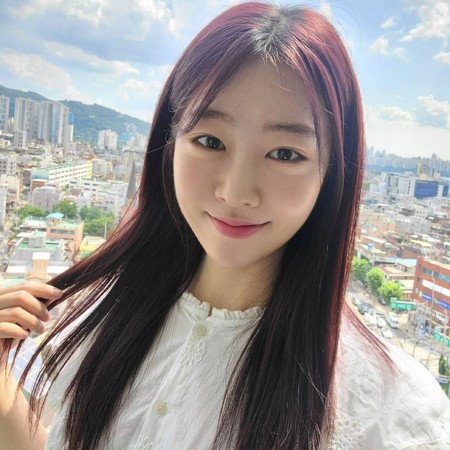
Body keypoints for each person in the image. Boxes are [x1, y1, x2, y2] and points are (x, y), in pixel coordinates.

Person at [1, 2, 449, 449]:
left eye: (285, 153)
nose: (236, 193)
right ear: (169, 144)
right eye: (210, 141)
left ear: (332, 173)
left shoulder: (388, 409)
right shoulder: (96, 311)